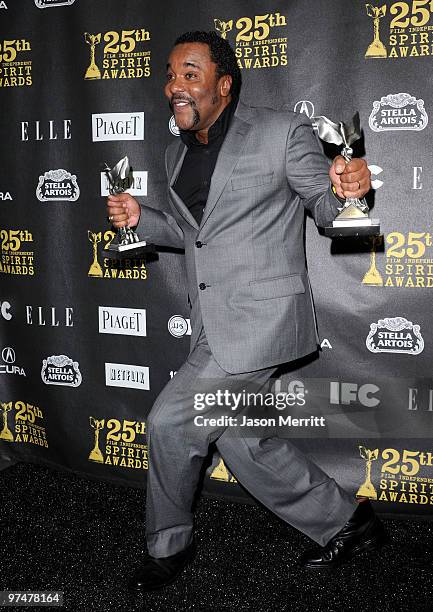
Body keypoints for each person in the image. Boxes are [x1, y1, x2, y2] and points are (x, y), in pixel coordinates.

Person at [106, 31, 387, 592]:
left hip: (261, 320)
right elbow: (193, 235)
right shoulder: (174, 152)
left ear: (224, 84)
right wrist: (141, 218)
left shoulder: (282, 131)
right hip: (213, 322)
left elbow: (327, 209)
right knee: (241, 439)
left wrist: (352, 193)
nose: (175, 86)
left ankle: (169, 546)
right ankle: (348, 523)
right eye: (170, 74)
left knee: (168, 422)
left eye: (190, 73)